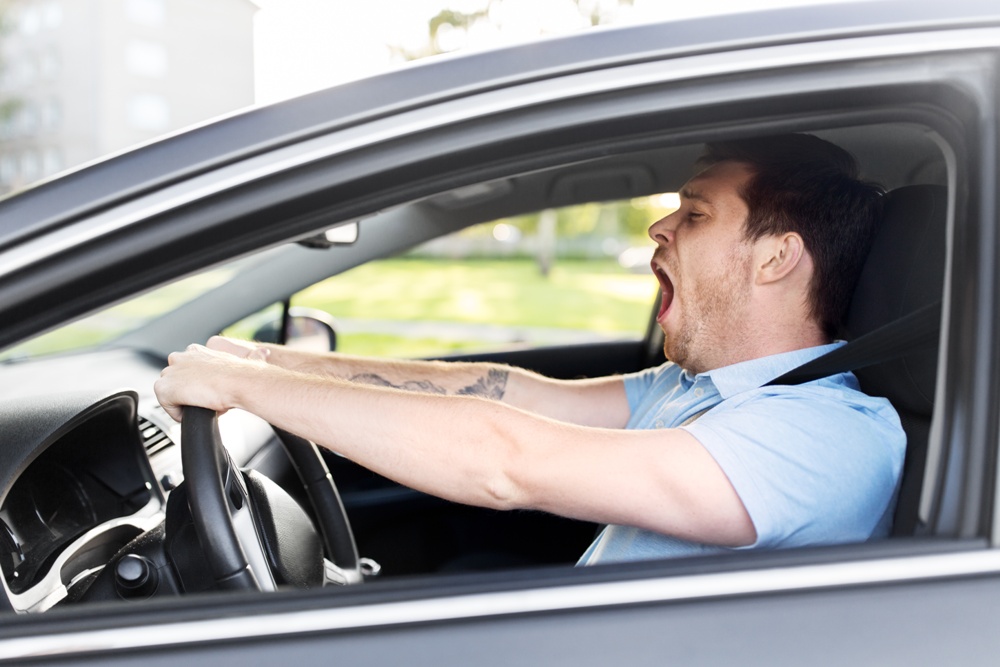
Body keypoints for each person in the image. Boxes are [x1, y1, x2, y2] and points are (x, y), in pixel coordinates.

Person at [154, 133, 906, 565]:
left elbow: (504, 458)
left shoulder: (830, 434)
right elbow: (505, 392)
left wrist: (243, 390)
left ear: (776, 258)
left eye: (695, 213)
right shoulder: (700, 390)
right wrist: (271, 363)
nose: (658, 230)